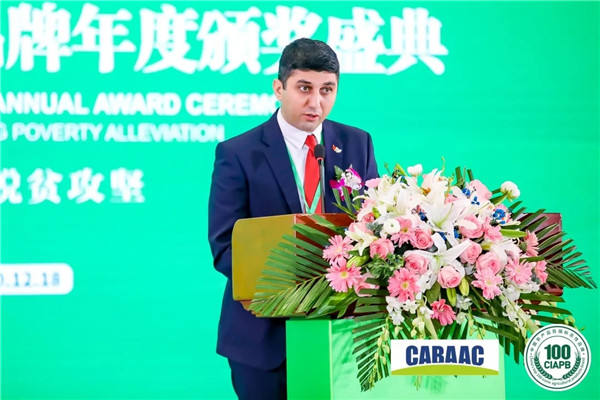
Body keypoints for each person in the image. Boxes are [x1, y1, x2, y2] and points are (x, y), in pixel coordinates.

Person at [208, 38, 378, 400]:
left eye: (326, 90)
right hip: (264, 336)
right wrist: (291, 289)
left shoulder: (357, 143)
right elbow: (225, 246)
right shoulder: (239, 153)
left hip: (342, 333)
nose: (315, 102)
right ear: (279, 88)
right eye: (304, 88)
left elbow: (374, 226)